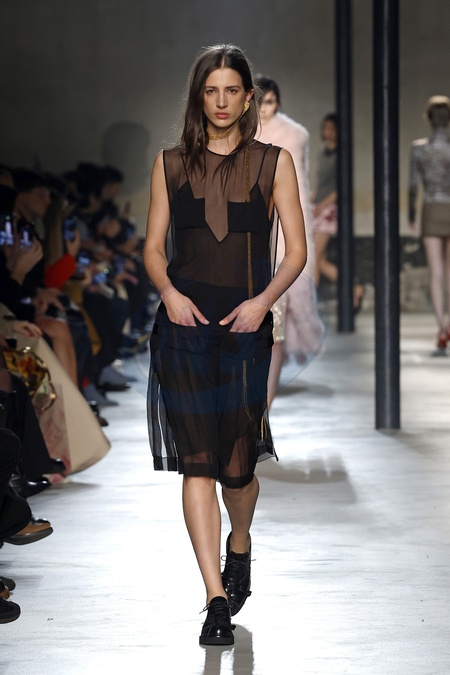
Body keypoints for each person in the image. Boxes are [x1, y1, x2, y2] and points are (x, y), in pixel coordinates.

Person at [144, 44, 306, 647]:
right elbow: (153, 247)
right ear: (199, 96)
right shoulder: (169, 164)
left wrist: (263, 303)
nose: (220, 101)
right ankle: (215, 599)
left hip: (244, 328)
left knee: (237, 470)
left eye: (231, 90)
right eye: (210, 91)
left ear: (247, 98)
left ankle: (240, 543)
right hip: (183, 328)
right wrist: (168, 292)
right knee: (198, 464)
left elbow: (296, 251)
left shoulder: (273, 162)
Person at [255, 76, 324, 407]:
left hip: (284, 231)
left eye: (270, 102)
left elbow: (299, 187)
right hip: (249, 232)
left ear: (278, 102)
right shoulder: (239, 134)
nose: (265, 109)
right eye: (260, 101)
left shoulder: (294, 136)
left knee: (277, 317)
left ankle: (265, 399)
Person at [408, 95, 450, 353]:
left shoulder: (419, 149)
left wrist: (411, 214)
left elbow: (413, 185)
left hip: (431, 209)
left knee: (436, 272)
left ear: (428, 119)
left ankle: (441, 327)